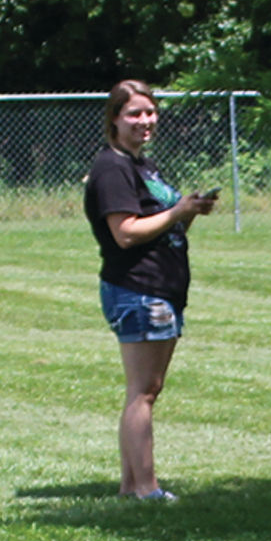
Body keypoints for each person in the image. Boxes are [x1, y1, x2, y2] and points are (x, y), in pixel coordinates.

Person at [81, 77, 217, 500]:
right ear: (115, 120)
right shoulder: (113, 168)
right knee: (144, 392)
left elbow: (163, 225)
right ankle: (147, 489)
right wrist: (177, 210)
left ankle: (130, 486)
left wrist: (188, 211)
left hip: (160, 287)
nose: (145, 120)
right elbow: (125, 232)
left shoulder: (143, 166)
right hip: (138, 288)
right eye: (134, 113)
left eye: (150, 111)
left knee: (145, 391)